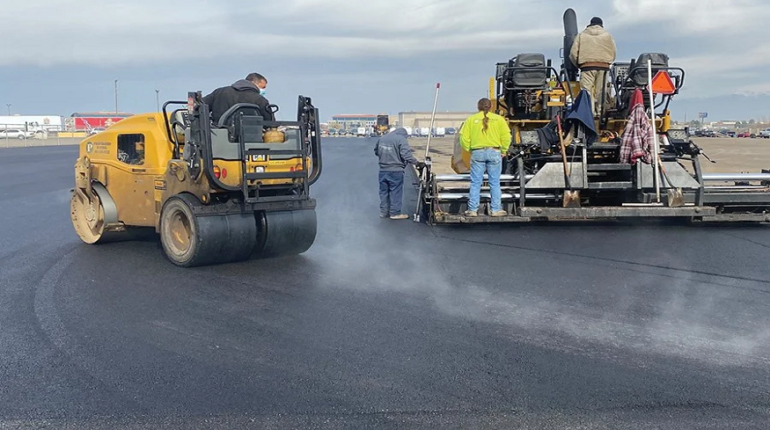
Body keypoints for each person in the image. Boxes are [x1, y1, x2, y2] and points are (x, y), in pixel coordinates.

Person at [459, 98, 512, 217]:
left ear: (478, 107)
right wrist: (503, 150)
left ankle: (472, 210)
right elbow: (507, 137)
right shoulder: (499, 119)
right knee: (495, 182)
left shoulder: (471, 120)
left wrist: (470, 149)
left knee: (475, 182)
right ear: (491, 107)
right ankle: (496, 209)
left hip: (477, 152)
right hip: (494, 152)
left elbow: (463, 138)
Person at [569, 17, 617, 116]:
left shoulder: (581, 35)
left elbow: (573, 53)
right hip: (604, 66)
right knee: (601, 91)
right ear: (601, 25)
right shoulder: (608, 36)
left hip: (586, 67)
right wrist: (608, 62)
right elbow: (614, 52)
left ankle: (589, 114)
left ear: (590, 24)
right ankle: (601, 113)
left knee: (586, 91)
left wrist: (579, 64)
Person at [374, 127, 424, 219]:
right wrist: (417, 163)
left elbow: (376, 152)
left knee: (384, 192)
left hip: (383, 170)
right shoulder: (401, 139)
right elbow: (406, 155)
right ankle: (395, 213)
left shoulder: (382, 138)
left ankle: (384, 212)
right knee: (395, 191)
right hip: (396, 170)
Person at [202, 73, 273, 124]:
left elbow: (201, 106)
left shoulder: (219, 92)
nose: (263, 90)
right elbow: (270, 123)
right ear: (253, 83)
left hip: (217, 137)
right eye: (263, 87)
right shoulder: (260, 100)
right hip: (250, 138)